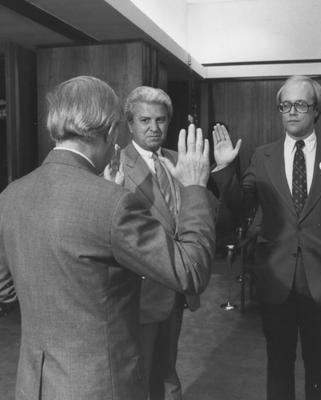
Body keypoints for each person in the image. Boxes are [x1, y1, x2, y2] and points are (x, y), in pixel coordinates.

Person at [0, 76, 215, 400]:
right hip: (100, 386)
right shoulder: (112, 201)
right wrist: (194, 187)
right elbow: (191, 271)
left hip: (35, 385)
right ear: (110, 131)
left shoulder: (10, 196)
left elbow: (1, 290)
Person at [211, 75, 321, 400]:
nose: (292, 112)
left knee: (320, 366)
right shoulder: (263, 157)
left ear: (316, 110)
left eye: (301, 105)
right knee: (278, 365)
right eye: (285, 105)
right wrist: (225, 169)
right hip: (276, 278)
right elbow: (241, 204)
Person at [120, 86, 201, 400]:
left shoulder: (179, 160)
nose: (154, 128)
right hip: (139, 292)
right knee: (139, 375)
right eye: (145, 120)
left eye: (161, 120)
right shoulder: (115, 166)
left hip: (176, 289)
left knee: (167, 369)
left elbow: (199, 213)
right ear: (130, 124)